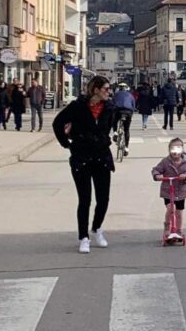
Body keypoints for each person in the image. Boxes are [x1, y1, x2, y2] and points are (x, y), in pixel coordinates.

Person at [52, 76, 117, 254]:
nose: (108, 92)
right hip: (82, 158)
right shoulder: (78, 106)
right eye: (105, 89)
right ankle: (84, 237)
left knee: (103, 199)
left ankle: (96, 228)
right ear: (95, 90)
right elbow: (58, 123)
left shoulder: (109, 108)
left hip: (102, 157)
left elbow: (110, 127)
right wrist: (67, 144)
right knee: (85, 199)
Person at [152, 138, 186, 242]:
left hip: (180, 192)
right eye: (173, 148)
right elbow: (155, 170)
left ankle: (178, 230)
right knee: (171, 208)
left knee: (179, 212)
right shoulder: (165, 162)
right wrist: (157, 176)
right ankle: (167, 228)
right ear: (169, 150)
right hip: (168, 191)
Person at [112, 82, 136, 156]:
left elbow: (112, 103)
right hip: (128, 112)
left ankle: (115, 132)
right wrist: (131, 114)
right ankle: (126, 148)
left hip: (118, 111)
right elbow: (133, 105)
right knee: (126, 130)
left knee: (114, 121)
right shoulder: (130, 95)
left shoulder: (116, 94)